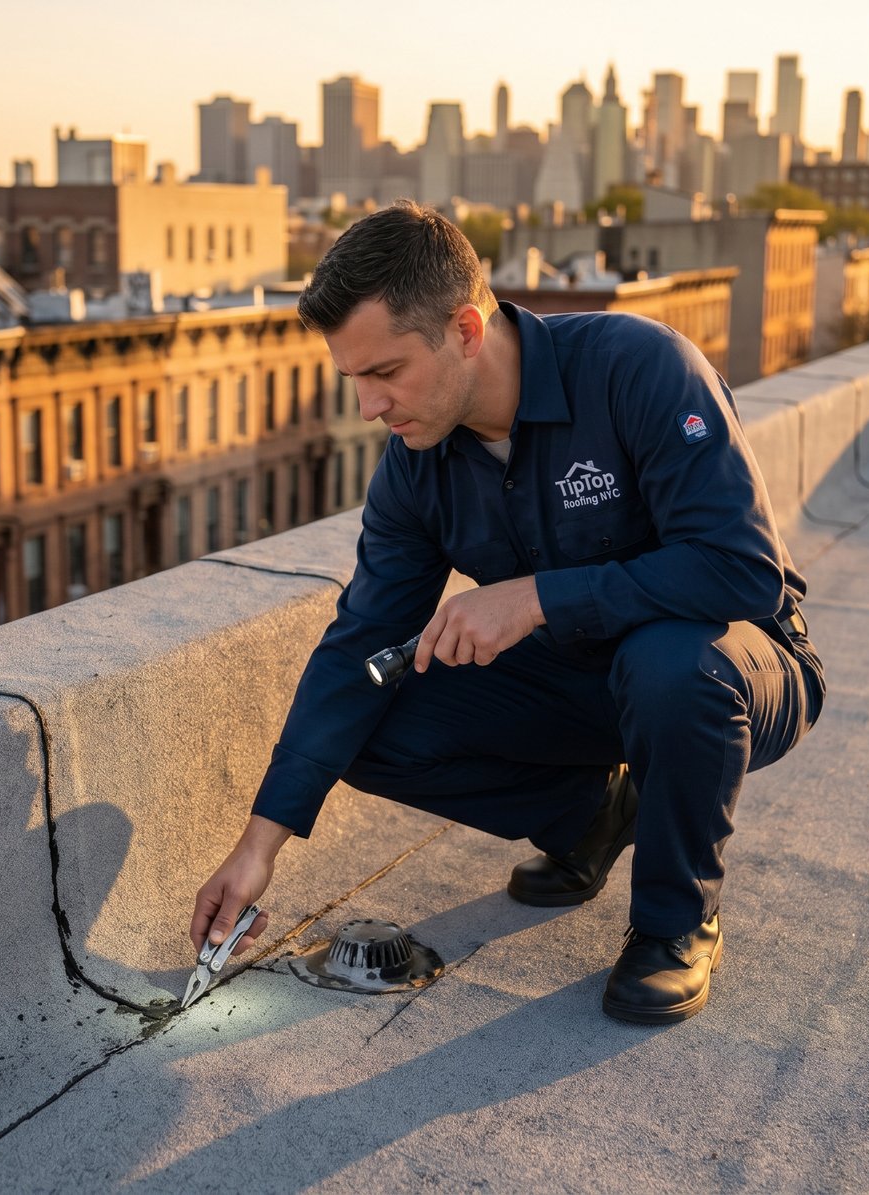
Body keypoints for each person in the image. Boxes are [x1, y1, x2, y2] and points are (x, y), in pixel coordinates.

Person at [190, 201, 824, 1023]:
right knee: (370, 718)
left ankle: (677, 923)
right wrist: (257, 848)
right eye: (354, 379)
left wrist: (535, 597)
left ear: (464, 330)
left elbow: (742, 571)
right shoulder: (414, 465)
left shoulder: (639, 367)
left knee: (668, 663)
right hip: (580, 682)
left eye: (385, 372)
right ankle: (597, 818)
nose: (370, 405)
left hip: (733, 664)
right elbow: (359, 644)